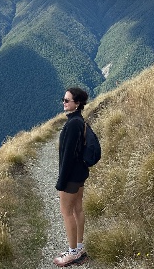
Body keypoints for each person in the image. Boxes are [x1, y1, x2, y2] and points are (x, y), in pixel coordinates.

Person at [53, 87, 90, 267]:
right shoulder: (79, 120)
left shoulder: (73, 124)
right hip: (79, 174)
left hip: (71, 177)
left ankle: (73, 253)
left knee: (67, 212)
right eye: (64, 99)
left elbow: (68, 156)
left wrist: (61, 182)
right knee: (77, 210)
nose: (64, 102)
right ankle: (79, 248)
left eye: (67, 100)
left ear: (77, 103)